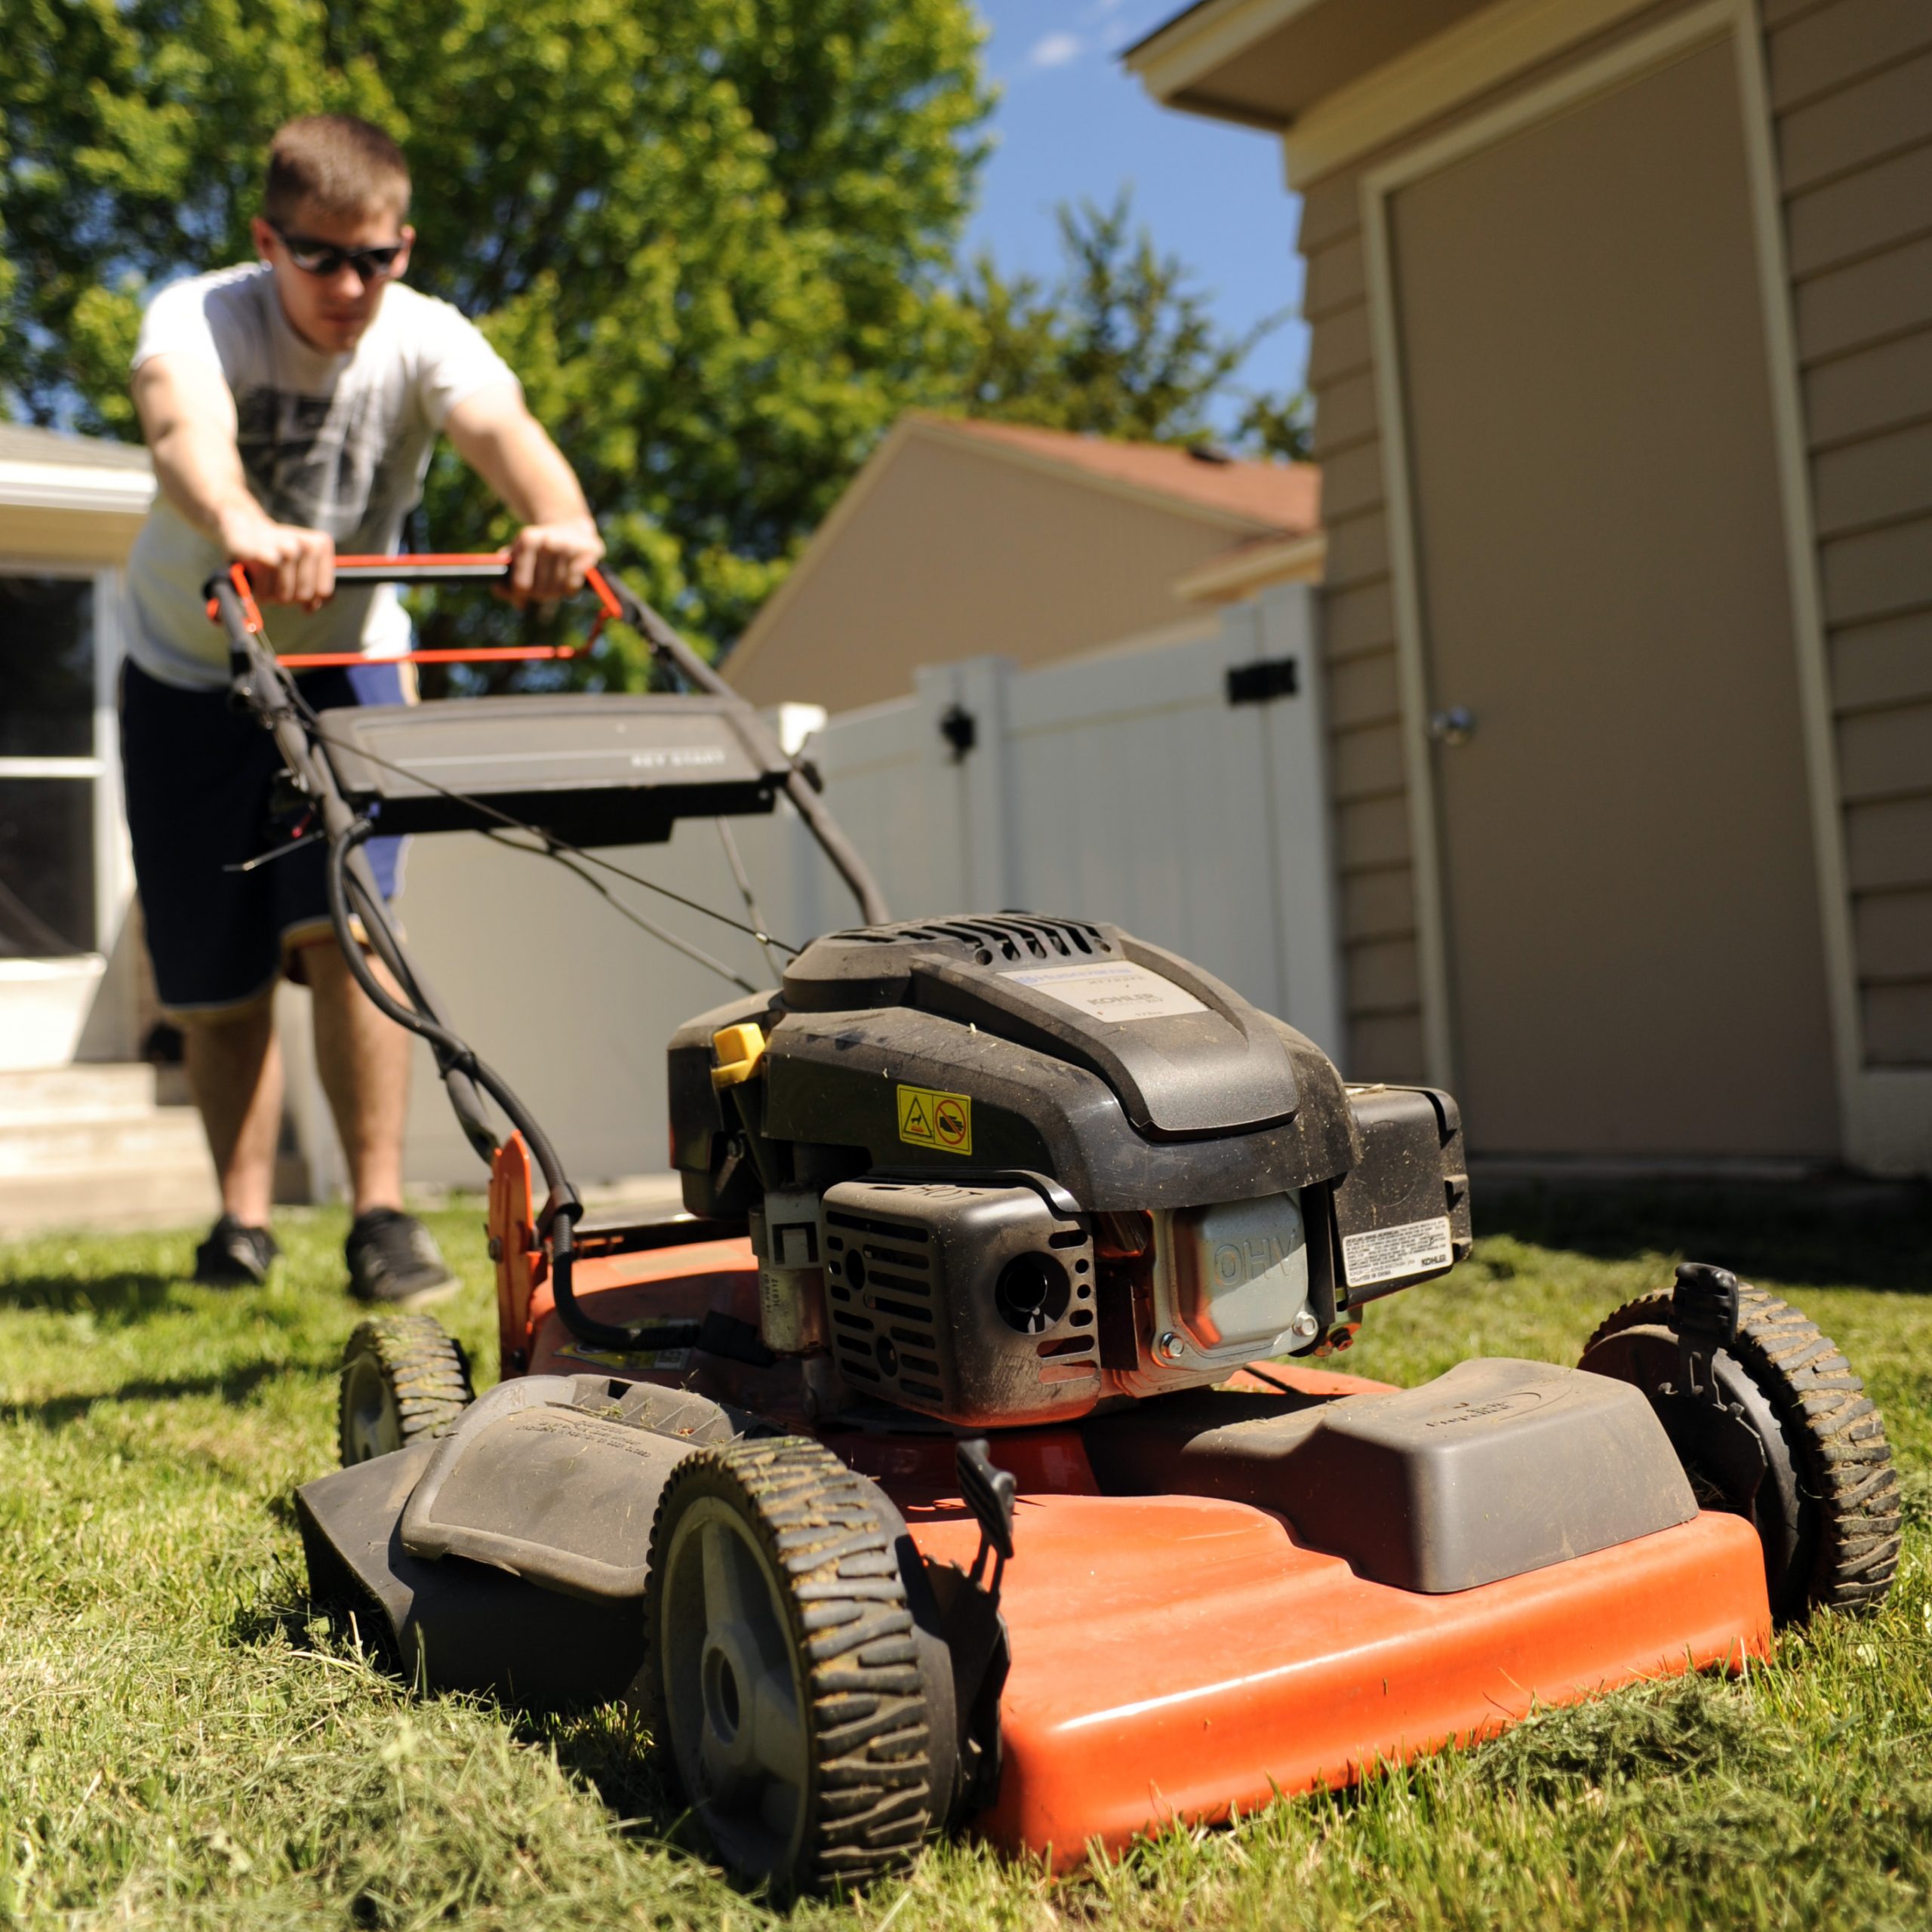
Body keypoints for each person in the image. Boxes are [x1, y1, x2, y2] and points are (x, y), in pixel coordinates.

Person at [124, 114, 604, 1303]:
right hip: (187, 669)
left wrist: (561, 521)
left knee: (353, 939)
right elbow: (183, 428)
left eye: (377, 259)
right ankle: (241, 1226)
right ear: (267, 242)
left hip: (348, 668)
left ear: (404, 247)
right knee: (215, 976)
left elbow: (507, 432)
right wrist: (242, 527)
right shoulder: (201, 316)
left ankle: (378, 1217)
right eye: (320, 257)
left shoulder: (426, 337)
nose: (350, 285)